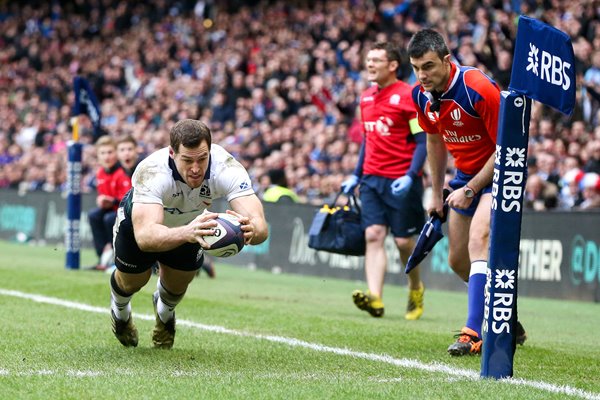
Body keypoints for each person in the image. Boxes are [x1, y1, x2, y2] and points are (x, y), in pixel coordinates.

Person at [407, 29, 526, 356]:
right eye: (416, 67)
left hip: (501, 174)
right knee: (458, 260)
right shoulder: (420, 95)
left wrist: (472, 189)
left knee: (478, 241)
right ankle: (505, 316)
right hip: (464, 178)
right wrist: (436, 194)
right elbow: (433, 140)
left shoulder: (478, 89)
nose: (422, 75)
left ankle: (472, 332)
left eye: (429, 66)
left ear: (447, 60)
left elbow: (507, 146)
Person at [109, 119, 268, 349]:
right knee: (133, 281)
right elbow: (146, 237)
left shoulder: (227, 168)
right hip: (141, 225)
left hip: (191, 225)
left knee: (177, 284)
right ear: (172, 153)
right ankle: (120, 312)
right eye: (187, 160)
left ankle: (164, 315)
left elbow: (261, 225)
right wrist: (188, 232)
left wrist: (253, 230)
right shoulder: (151, 171)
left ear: (210, 151)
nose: (196, 168)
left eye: (202, 159)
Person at [340, 41, 427, 321]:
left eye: (376, 59)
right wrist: (356, 173)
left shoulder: (409, 95)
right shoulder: (365, 98)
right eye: (368, 59)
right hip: (371, 180)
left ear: (393, 65)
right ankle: (375, 298)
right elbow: (368, 139)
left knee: (403, 242)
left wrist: (410, 176)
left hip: (402, 180)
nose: (370, 64)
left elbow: (422, 141)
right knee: (373, 235)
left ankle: (415, 287)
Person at [88, 135, 132, 271]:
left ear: (116, 154)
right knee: (93, 215)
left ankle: (115, 255)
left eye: (110, 152)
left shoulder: (122, 172)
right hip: (112, 208)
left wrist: (111, 200)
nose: (107, 156)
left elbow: (127, 199)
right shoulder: (100, 173)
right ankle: (102, 257)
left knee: (109, 219)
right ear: (98, 156)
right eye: (103, 153)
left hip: (123, 210)